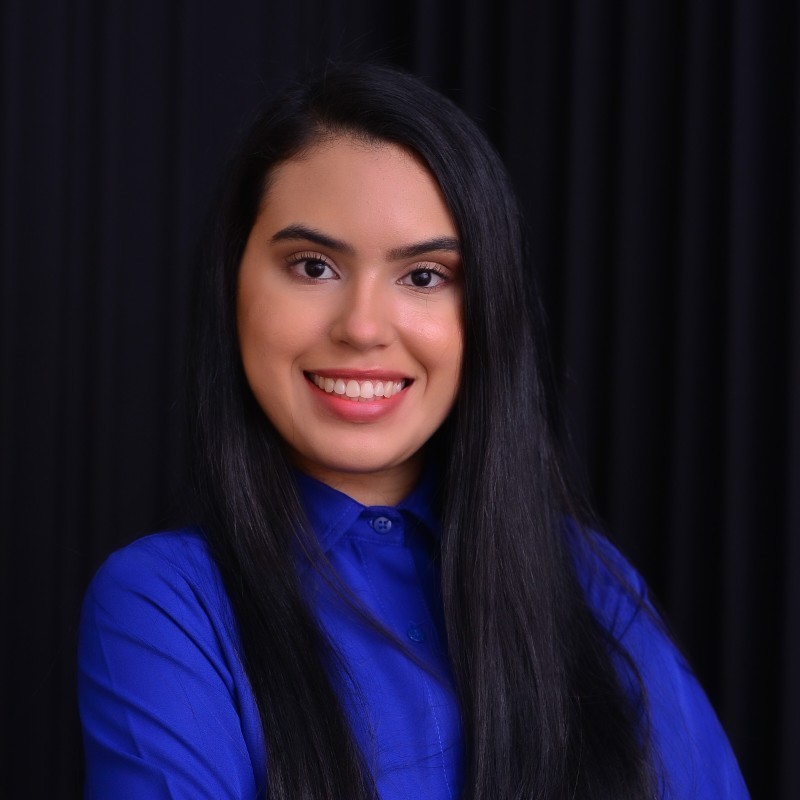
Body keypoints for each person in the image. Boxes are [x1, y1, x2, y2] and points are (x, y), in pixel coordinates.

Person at [78, 64, 749, 799]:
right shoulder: (167, 606)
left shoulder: (588, 580)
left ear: (487, 314)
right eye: (312, 266)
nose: (363, 327)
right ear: (233, 285)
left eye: (424, 276)